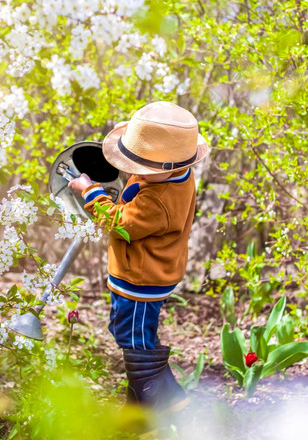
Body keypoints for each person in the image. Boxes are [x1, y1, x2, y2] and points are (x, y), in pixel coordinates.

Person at [68, 101, 209, 415]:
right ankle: (163, 400)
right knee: (132, 335)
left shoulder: (157, 200)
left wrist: (90, 191)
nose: (133, 171)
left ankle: (148, 413)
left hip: (141, 280)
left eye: (140, 166)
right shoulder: (174, 175)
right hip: (142, 274)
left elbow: (120, 224)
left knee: (135, 343)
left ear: (164, 168)